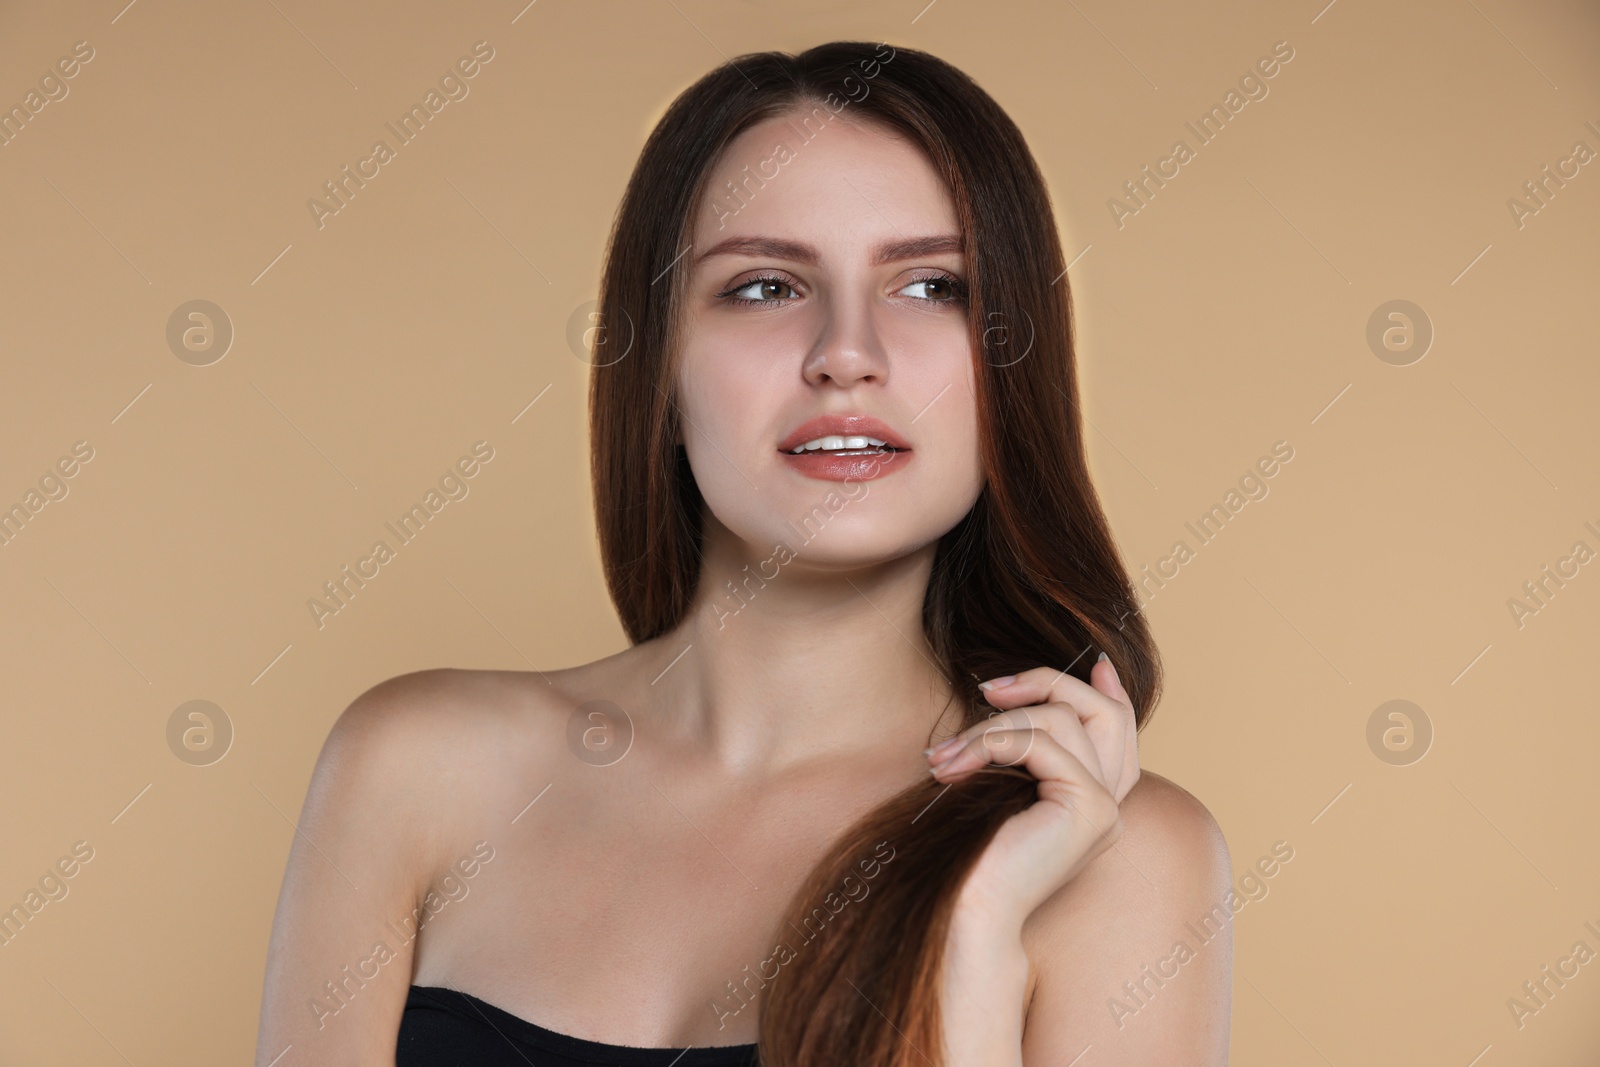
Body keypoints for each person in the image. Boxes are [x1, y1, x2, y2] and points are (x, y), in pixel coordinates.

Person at [255, 40, 1232, 1067]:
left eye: (933, 285)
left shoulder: (1116, 855)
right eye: (765, 287)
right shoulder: (415, 767)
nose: (846, 353)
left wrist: (975, 933)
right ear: (660, 377)